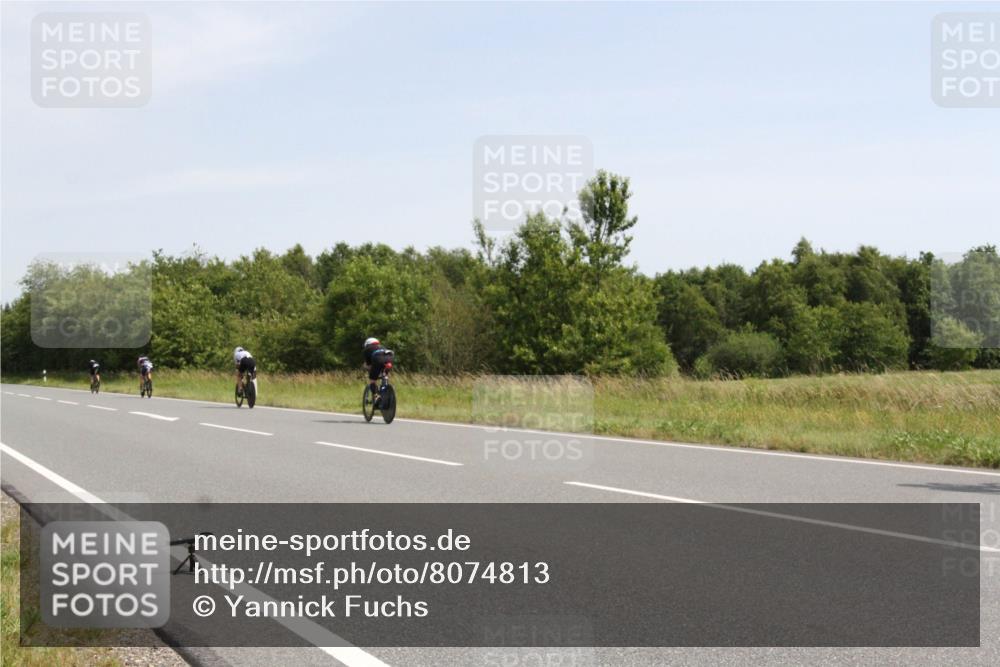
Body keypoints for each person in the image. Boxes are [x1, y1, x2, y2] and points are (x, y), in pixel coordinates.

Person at [363, 337, 393, 405]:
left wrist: (368, 370)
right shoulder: (382, 346)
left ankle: (376, 396)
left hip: (378, 358)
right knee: (384, 374)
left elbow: (369, 365)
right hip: (389, 357)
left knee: (372, 381)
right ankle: (385, 385)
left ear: (367, 344)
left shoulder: (367, 349)